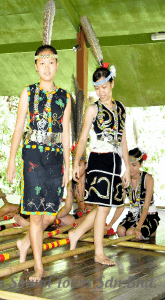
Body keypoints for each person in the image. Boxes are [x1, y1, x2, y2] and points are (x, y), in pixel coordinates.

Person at [6, 45, 71, 282]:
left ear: (56, 65)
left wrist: (68, 164)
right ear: (36, 66)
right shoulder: (28, 92)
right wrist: (12, 159)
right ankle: (38, 266)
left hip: (55, 158)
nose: (47, 67)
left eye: (51, 62)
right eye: (42, 63)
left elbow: (66, 134)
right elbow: (19, 127)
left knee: (51, 214)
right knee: (35, 213)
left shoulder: (65, 96)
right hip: (32, 155)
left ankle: (24, 243)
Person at [69, 64, 130, 266]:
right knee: (103, 207)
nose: (101, 91)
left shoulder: (121, 109)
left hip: (115, 161)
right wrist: (76, 163)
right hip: (99, 159)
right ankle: (98, 253)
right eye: (97, 87)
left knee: (103, 206)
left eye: (104, 86)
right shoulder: (93, 109)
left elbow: (123, 140)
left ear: (112, 83)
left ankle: (76, 233)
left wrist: (127, 168)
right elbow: (83, 136)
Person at [106, 148, 159, 240]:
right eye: (128, 164)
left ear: (141, 164)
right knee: (121, 231)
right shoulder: (125, 179)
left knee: (131, 233)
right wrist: (110, 224)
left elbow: (146, 207)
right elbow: (121, 205)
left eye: (134, 165)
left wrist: (138, 228)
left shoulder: (148, 179)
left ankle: (151, 230)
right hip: (133, 215)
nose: (130, 168)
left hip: (148, 215)